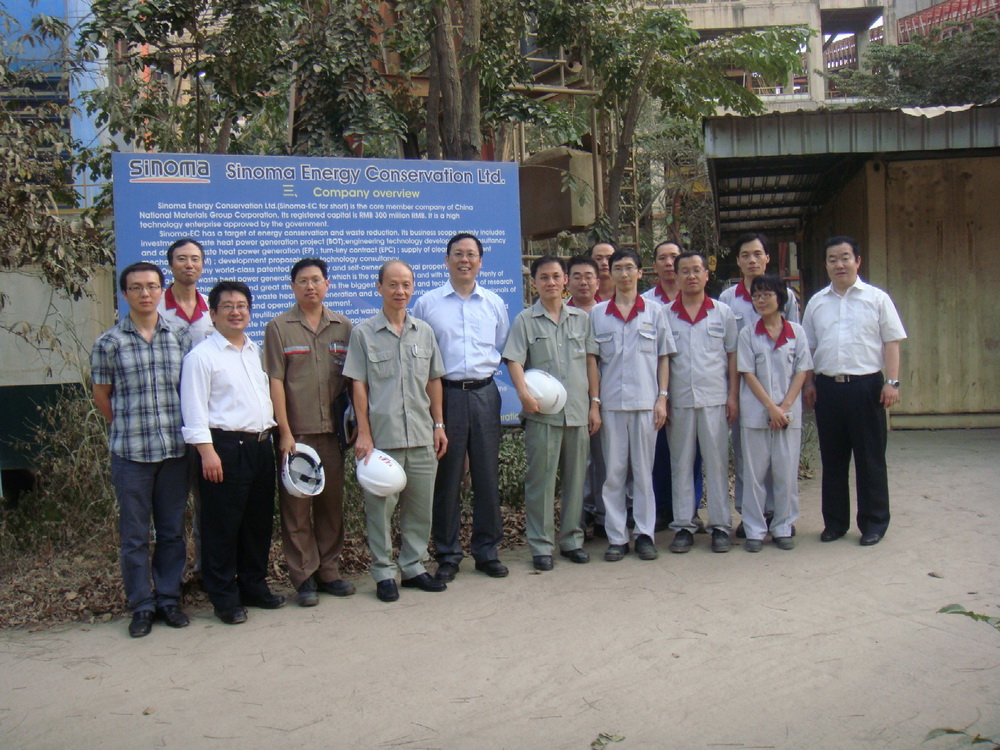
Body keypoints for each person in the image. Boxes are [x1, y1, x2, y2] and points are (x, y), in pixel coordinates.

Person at [91, 261, 192, 638]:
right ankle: (141, 605)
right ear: (125, 293)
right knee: (134, 535)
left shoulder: (180, 335)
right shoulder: (109, 343)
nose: (145, 293)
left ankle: (168, 598)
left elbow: (189, 390)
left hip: (175, 451)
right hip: (131, 453)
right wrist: (127, 426)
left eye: (151, 286)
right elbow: (102, 397)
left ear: (161, 290)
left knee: (171, 531)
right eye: (136, 287)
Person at [343, 260, 449, 602]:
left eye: (406, 284)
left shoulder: (424, 332)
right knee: (380, 510)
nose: (400, 291)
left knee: (420, 509)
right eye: (392, 284)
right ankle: (384, 573)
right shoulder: (363, 334)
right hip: (382, 439)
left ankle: (414, 567)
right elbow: (359, 386)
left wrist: (439, 425)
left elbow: (434, 381)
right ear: (379, 288)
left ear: (412, 287)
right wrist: (364, 432)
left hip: (421, 434)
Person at [181, 281, 282, 625]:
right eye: (227, 306)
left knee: (257, 522)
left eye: (242, 306)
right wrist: (207, 452)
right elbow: (194, 409)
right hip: (224, 449)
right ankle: (224, 596)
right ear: (212, 313)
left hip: (260, 446)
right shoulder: (201, 357)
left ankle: (253, 585)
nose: (236, 312)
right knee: (221, 526)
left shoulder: (254, 351)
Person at [412, 233, 511, 581]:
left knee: (486, 475)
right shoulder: (428, 304)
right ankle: (448, 554)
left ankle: (487, 551)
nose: (464, 260)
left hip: (485, 393)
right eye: (458, 254)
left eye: (471, 254)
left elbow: (500, 344)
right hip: (446, 395)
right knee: (447, 478)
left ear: (481, 261)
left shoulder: (494, 303)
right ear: (447, 260)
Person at [802, 236, 906, 546]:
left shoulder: (877, 299)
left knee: (869, 458)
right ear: (826, 264)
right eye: (832, 259)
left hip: (866, 388)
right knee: (833, 459)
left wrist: (892, 382)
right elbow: (808, 348)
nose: (839, 264)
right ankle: (835, 523)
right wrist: (809, 383)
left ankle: (874, 523)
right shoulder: (817, 303)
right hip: (827, 389)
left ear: (857, 261)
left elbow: (891, 341)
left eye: (845, 257)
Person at [264, 258, 355, 607]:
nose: (310, 286)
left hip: (332, 434)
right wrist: (284, 432)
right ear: (293, 287)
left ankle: (329, 572)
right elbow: (275, 381)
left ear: (327, 285)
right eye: (303, 281)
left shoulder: (343, 327)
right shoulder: (278, 327)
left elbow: (353, 383)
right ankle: (303, 576)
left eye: (316, 280)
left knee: (331, 506)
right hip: (296, 435)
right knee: (297, 509)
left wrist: (356, 427)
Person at [502, 256, 600, 571]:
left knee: (576, 480)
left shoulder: (580, 319)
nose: (551, 282)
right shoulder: (525, 320)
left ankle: (572, 540)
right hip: (542, 414)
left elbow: (590, 361)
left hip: (577, 413)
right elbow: (514, 360)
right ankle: (541, 545)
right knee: (541, 482)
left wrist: (594, 404)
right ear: (534, 283)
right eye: (544, 277)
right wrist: (523, 394)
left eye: (556, 276)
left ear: (565, 280)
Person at [590, 248, 674, 562]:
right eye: (618, 268)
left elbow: (664, 357)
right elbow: (592, 361)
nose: (624, 274)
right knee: (613, 473)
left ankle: (644, 534)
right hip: (611, 405)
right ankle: (617, 537)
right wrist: (595, 403)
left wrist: (662, 398)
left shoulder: (655, 312)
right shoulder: (598, 314)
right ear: (609, 273)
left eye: (629, 268)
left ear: (640, 272)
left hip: (645, 404)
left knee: (642, 472)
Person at [719, 233, 800, 537]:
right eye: (745, 255)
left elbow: (797, 345)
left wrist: (792, 397)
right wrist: (732, 394)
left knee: (782, 460)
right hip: (746, 391)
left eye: (757, 254)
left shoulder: (786, 295)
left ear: (767, 258)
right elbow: (728, 351)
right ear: (738, 261)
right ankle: (750, 516)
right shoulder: (728, 299)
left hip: (782, 390)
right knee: (747, 458)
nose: (752, 260)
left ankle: (779, 516)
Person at [665, 251, 739, 554]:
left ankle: (720, 526)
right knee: (681, 464)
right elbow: (662, 360)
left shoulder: (723, 313)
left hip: (715, 399)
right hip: (679, 401)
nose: (691, 276)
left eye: (697, 270)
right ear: (677, 276)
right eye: (685, 271)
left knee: (717, 464)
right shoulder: (665, 315)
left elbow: (732, 356)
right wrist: (663, 398)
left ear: (707, 275)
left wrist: (732, 396)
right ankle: (684, 526)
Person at [736, 275, 813, 552]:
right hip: (756, 415)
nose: (761, 300)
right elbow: (747, 373)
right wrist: (771, 407)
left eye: (766, 294)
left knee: (786, 474)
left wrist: (785, 407)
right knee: (754, 475)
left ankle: (783, 526)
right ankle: (755, 529)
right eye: (756, 295)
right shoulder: (747, 334)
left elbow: (802, 370)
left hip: (787, 416)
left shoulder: (796, 332)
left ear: (780, 298)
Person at [157, 238, 212, 577]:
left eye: (194, 259)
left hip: (208, 420)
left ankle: (206, 571)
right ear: (171, 265)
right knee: (172, 507)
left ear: (202, 265)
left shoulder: (211, 309)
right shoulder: (156, 308)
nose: (188, 264)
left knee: (208, 504)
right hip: (169, 421)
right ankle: (172, 580)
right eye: (181, 259)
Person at [640, 240, 703, 531]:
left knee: (693, 453)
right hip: (656, 391)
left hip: (696, 390)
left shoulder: (699, 297)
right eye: (662, 258)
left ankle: (692, 508)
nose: (668, 263)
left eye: (673, 257)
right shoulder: (647, 303)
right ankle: (664, 507)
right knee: (661, 453)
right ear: (654, 266)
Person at [566, 255, 608, 537]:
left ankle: (605, 517)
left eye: (588, 276)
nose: (583, 282)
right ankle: (578, 519)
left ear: (598, 281)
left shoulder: (607, 312)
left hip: (608, 398)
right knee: (578, 464)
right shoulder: (560, 312)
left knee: (604, 460)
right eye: (577, 276)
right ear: (567, 281)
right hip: (572, 400)